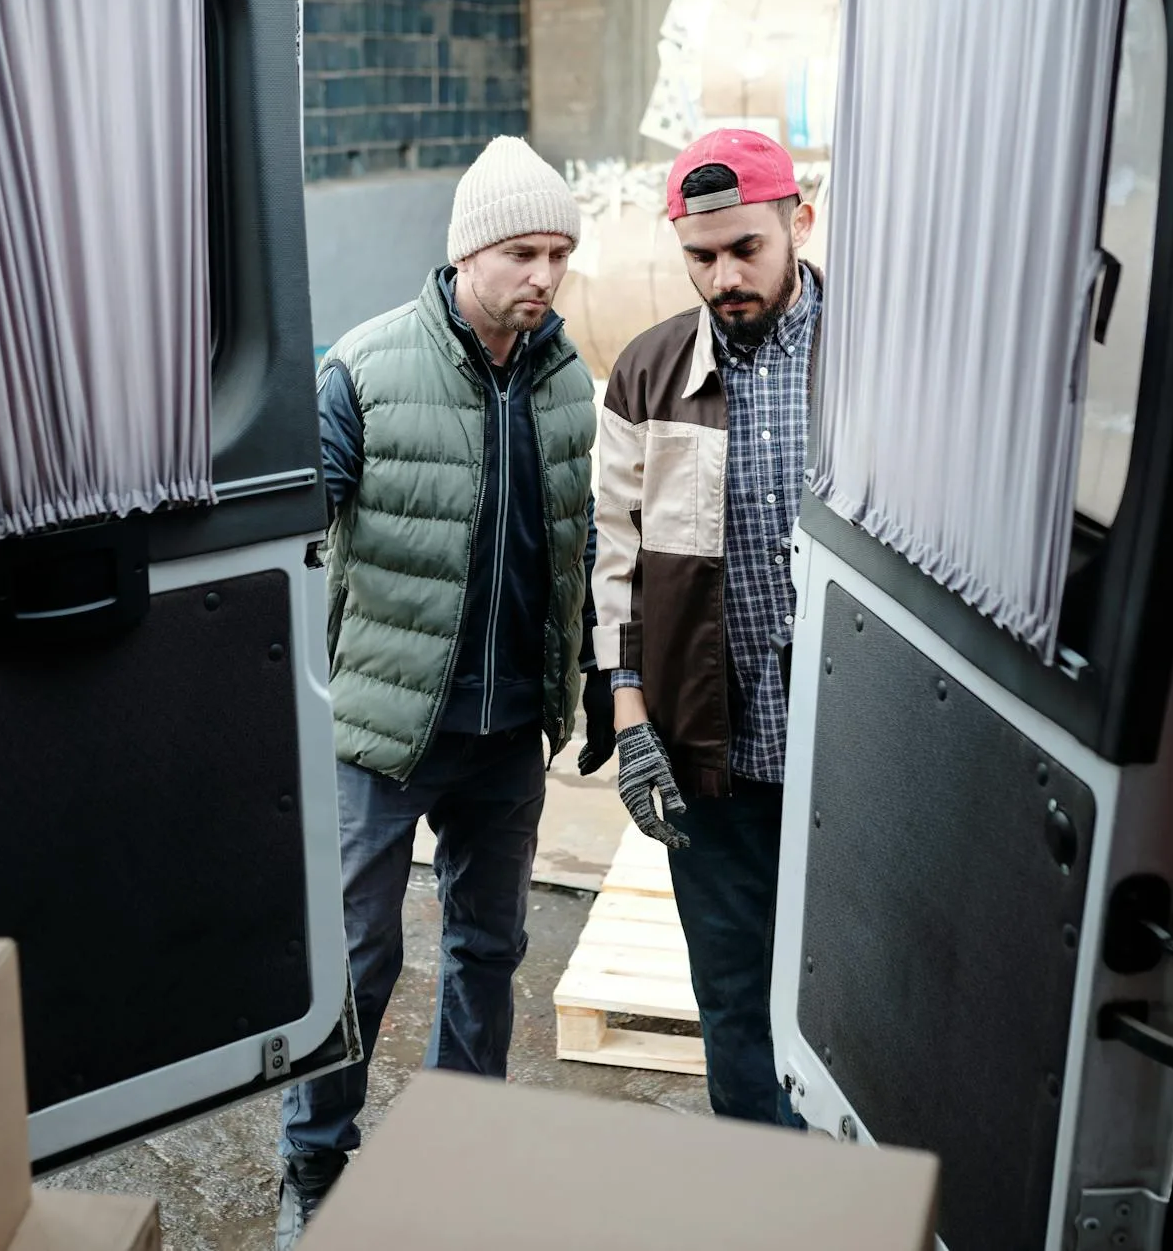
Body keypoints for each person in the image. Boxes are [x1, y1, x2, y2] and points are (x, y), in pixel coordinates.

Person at [277, 136, 598, 1247]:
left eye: (558, 254)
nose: (544, 276)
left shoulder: (570, 386)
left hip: (506, 738)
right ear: (466, 252)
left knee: (487, 950)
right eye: (522, 253)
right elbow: (293, 534)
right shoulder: (364, 370)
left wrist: (589, 684)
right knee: (358, 954)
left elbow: (579, 549)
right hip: (383, 728)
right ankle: (314, 1161)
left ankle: (459, 1153)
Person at [582, 127, 820, 1127]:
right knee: (731, 992)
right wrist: (631, 720)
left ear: (799, 222)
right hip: (712, 755)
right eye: (701, 255)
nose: (724, 277)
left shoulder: (874, 362)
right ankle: (758, 1189)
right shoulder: (647, 374)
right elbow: (616, 565)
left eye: (745, 249)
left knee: (865, 1002)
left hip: (851, 754)